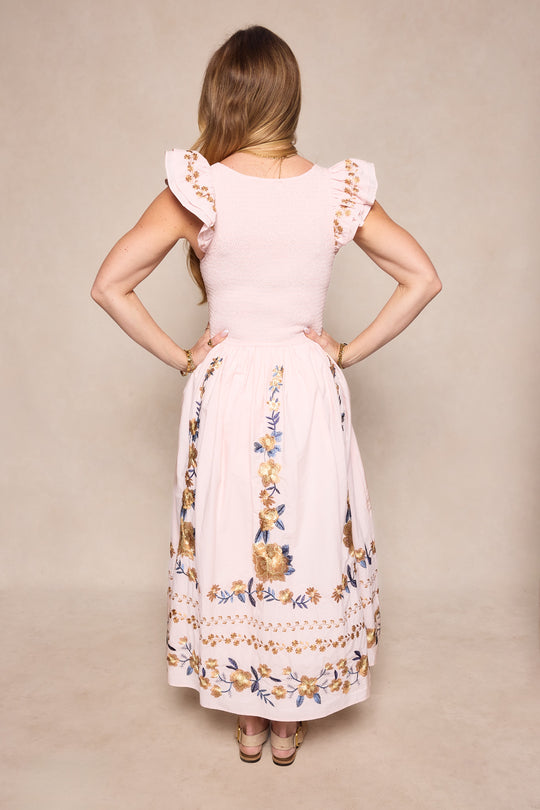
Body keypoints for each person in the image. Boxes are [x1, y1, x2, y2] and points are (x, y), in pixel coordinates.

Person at [91, 24, 442, 766]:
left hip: (226, 384)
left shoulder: (198, 186)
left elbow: (110, 284)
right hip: (308, 383)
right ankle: (289, 721)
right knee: (305, 535)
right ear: (289, 98)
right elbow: (422, 277)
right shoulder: (335, 189)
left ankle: (248, 718)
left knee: (232, 533)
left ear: (223, 95)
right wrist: (345, 351)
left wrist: (183, 357)